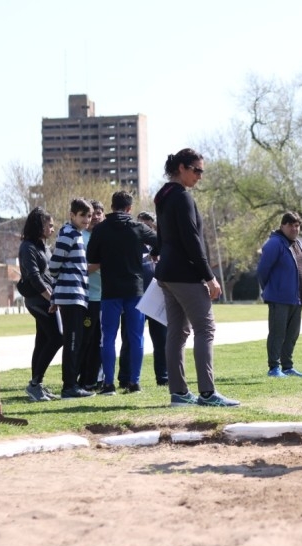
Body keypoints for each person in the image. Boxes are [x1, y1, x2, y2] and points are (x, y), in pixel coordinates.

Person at [154, 148, 239, 408]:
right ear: (181, 167)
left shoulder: (163, 194)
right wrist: (209, 276)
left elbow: (162, 236)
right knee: (205, 328)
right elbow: (191, 240)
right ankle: (208, 393)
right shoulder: (182, 197)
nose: (200, 176)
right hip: (184, 274)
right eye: (196, 170)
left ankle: (179, 393)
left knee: (177, 332)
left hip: (167, 273)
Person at [86, 191, 158, 395]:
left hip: (110, 290)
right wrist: (153, 253)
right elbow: (160, 241)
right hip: (134, 288)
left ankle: (108, 384)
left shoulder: (101, 229)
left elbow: (91, 256)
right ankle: (134, 382)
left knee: (108, 337)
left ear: (111, 206)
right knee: (136, 337)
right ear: (129, 208)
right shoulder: (138, 227)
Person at [49, 199, 94, 398]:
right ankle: (69, 386)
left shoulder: (76, 234)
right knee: (73, 341)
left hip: (76, 295)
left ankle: (72, 384)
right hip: (71, 296)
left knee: (76, 341)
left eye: (89, 216)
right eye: (82, 215)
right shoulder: (69, 234)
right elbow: (53, 266)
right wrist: (58, 293)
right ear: (72, 215)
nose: (87, 219)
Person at [256, 211, 302, 377]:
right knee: (277, 333)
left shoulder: (297, 244)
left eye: (297, 225)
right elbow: (262, 270)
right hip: (279, 298)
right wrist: (271, 289)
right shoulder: (274, 243)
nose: (294, 228)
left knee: (292, 334)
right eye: (290, 225)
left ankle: (287, 366)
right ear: (282, 226)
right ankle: (274, 368)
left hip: (296, 298)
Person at [19, 208, 63, 403]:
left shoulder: (43, 246)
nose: (52, 229)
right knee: (57, 337)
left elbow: (50, 273)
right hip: (38, 300)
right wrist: (51, 298)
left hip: (48, 299)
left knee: (43, 340)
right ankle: (34, 384)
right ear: (39, 225)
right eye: (49, 225)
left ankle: (37, 385)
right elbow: (34, 277)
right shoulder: (27, 247)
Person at [76, 199, 104, 391]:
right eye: (90, 214)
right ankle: (81, 379)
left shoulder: (106, 235)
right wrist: (103, 263)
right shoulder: (81, 237)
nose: (94, 217)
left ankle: (95, 379)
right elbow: (80, 268)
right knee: (86, 340)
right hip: (87, 298)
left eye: (98, 213)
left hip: (106, 298)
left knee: (100, 341)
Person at [137, 211, 167, 386]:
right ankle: (130, 379)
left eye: (149, 227)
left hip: (157, 297)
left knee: (161, 340)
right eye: (142, 226)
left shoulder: (161, 247)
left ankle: (163, 377)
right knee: (134, 340)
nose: (145, 230)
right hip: (137, 299)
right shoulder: (133, 245)